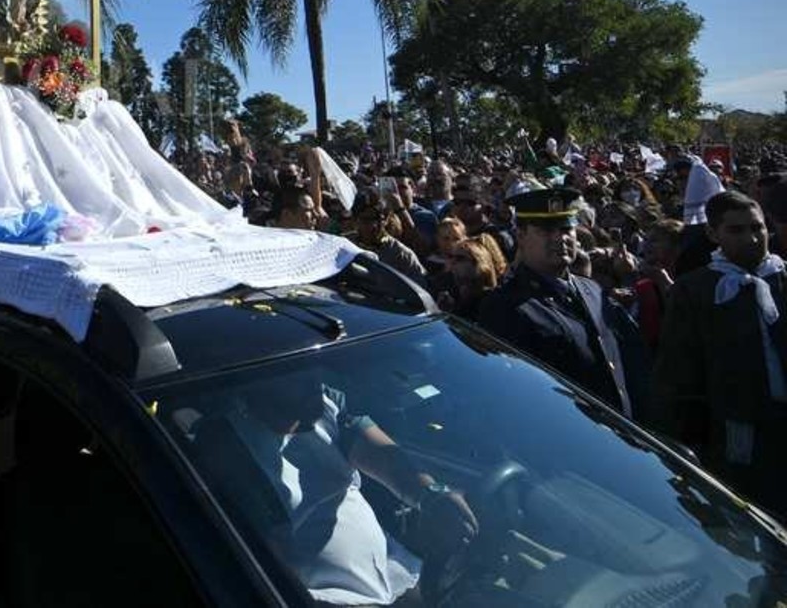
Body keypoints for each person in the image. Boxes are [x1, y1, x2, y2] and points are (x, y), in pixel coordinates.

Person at [198, 369, 477, 606]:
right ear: (260, 382)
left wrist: (433, 497)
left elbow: (388, 459)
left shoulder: (325, 404)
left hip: (397, 578)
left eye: (312, 370)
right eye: (297, 375)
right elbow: (266, 563)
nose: (314, 383)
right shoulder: (228, 445)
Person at [654, 191, 787, 518]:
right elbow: (678, 374)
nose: (752, 238)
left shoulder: (782, 278)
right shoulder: (695, 290)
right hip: (734, 436)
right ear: (713, 234)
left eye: (757, 228)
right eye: (736, 230)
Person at [478, 187, 648, 421]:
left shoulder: (591, 289)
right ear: (521, 235)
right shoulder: (505, 305)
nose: (560, 237)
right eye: (546, 230)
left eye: (567, 228)